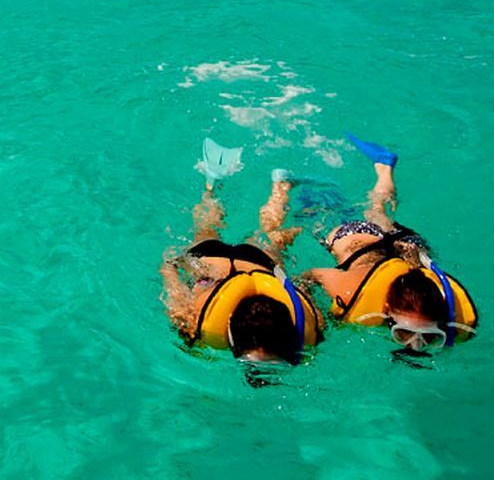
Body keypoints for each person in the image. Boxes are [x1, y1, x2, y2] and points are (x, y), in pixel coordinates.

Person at [302, 135, 477, 353]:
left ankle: (384, 168)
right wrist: (316, 313)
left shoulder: (446, 312)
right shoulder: (349, 290)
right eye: (403, 332)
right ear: (387, 309)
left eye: (431, 336)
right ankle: (373, 171)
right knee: (312, 213)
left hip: (408, 243)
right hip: (359, 240)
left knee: (377, 211)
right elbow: (310, 275)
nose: (416, 346)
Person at [161, 141, 324, 367]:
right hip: (211, 262)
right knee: (207, 229)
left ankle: (280, 186)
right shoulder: (192, 324)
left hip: (253, 263)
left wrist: (169, 266)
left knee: (272, 235)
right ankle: (213, 183)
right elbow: (172, 285)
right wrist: (170, 265)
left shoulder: (310, 324)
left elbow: (301, 290)